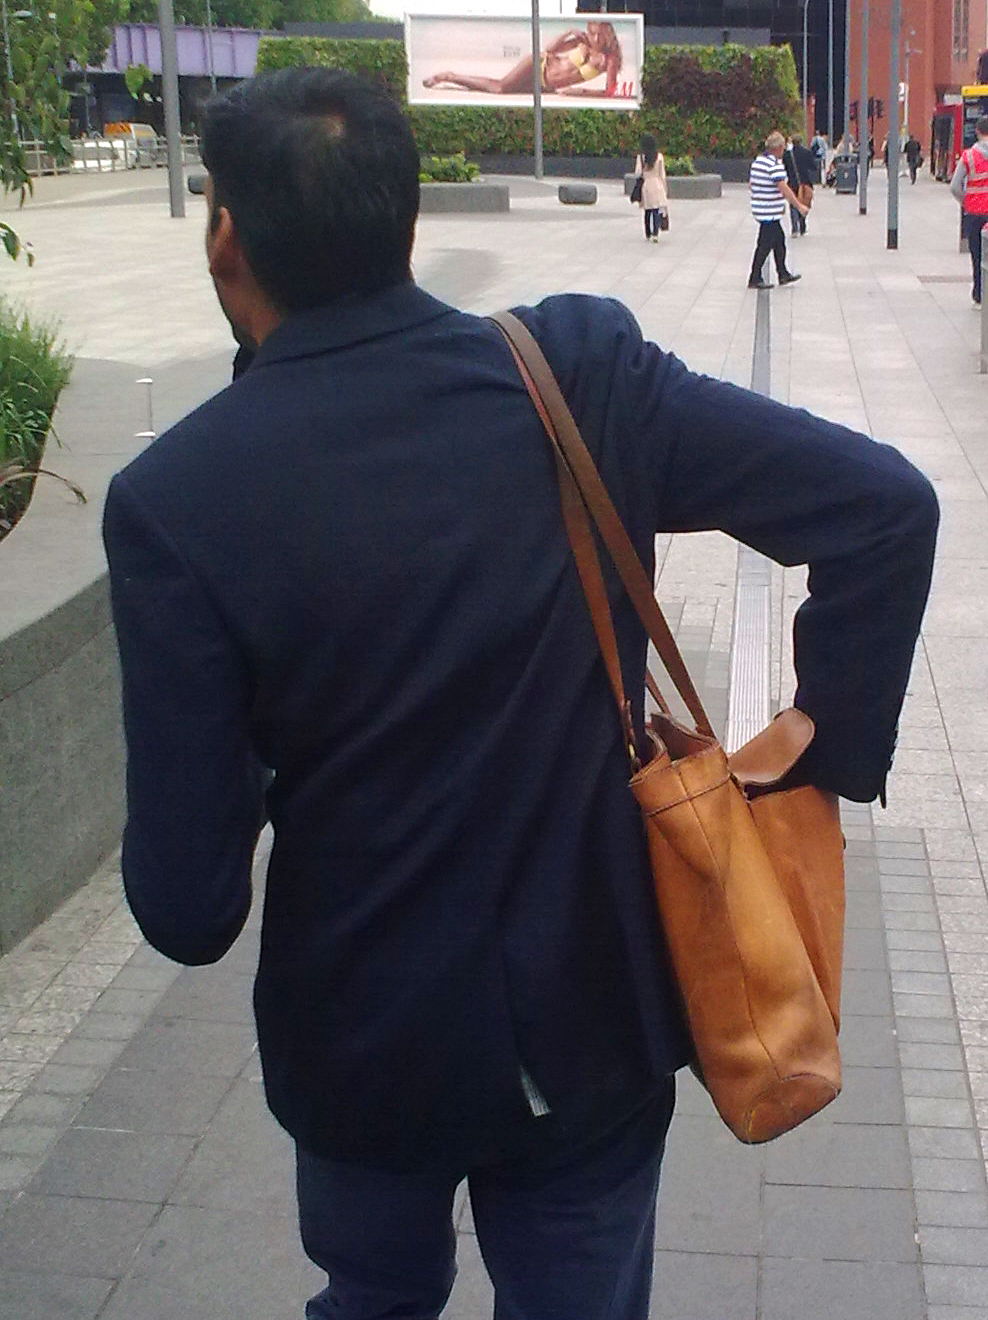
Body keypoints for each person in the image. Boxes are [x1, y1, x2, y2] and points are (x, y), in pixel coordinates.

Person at [102, 68, 938, 1320]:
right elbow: (885, 509)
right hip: (594, 1021)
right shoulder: (578, 378)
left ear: (225, 235)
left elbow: (188, 909)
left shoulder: (179, 499)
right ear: (405, 218)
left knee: (370, 1297)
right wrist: (816, 752)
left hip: (362, 1049)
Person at [423, 20, 622, 98]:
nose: (596, 38)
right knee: (499, 88)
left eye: (600, 34)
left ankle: (451, 77)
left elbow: (609, 92)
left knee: (498, 87)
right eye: (592, 33)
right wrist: (568, 32)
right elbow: (549, 50)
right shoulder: (582, 42)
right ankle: (448, 76)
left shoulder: (609, 60)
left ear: (608, 34)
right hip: (539, 65)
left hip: (546, 86)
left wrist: (580, 92)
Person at [748, 130, 809, 288]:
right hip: (769, 211)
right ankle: (755, 277)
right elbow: (784, 188)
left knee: (779, 241)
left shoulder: (758, 162)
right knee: (764, 245)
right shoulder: (774, 166)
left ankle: (783, 273)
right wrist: (799, 206)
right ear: (779, 148)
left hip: (762, 208)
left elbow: (751, 184)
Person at [950, 114, 988, 306]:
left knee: (977, 254)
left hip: (975, 213)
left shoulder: (969, 156)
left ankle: (979, 292)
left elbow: (955, 186)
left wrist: (967, 202)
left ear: (977, 132)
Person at [633, 132, 668, 243]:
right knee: (656, 210)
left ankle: (648, 233)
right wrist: (665, 188)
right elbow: (662, 174)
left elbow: (637, 173)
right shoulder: (659, 156)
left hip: (646, 185)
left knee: (647, 210)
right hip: (658, 184)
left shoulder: (641, 158)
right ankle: (655, 234)